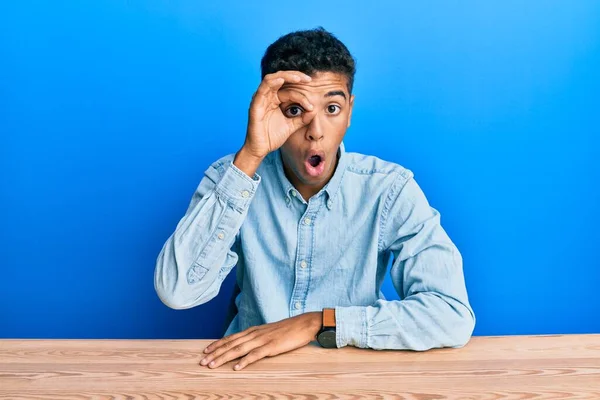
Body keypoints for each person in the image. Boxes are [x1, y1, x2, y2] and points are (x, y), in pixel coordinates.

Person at [154, 27, 475, 371]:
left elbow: (451, 313)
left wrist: (320, 322)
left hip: (351, 378)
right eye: (294, 110)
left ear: (350, 111)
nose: (316, 130)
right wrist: (250, 155)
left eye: (332, 108)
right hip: (249, 375)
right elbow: (177, 291)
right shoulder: (231, 176)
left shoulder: (388, 189)